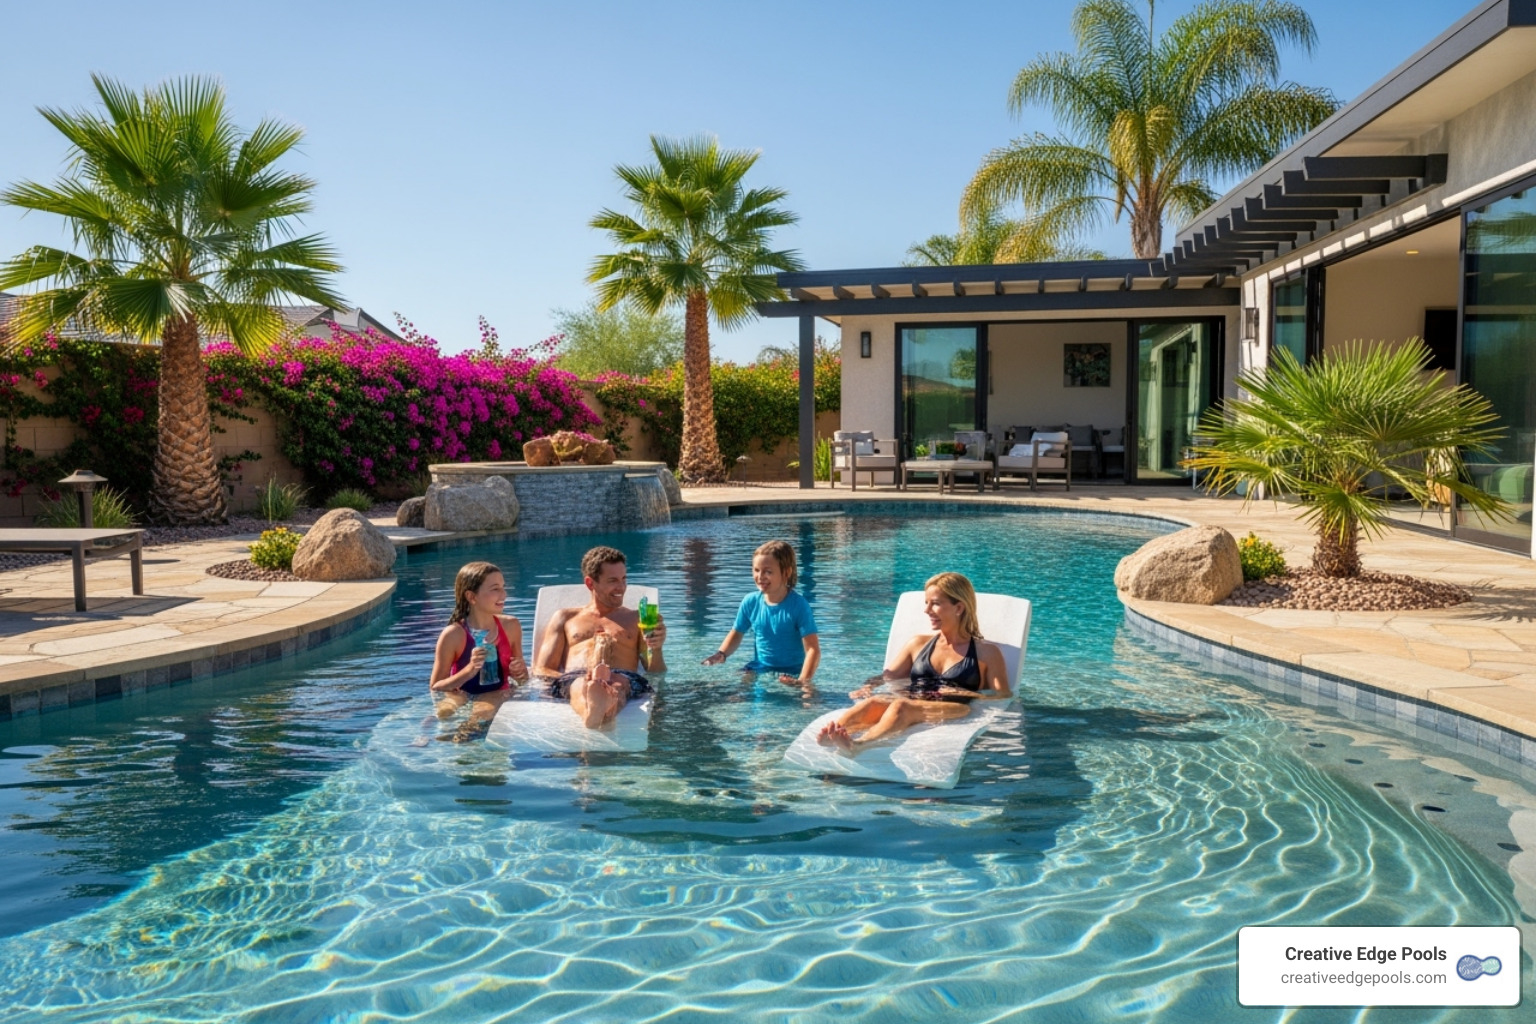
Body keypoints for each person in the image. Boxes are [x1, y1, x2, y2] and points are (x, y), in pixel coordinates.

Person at [817, 572, 1009, 754]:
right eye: (926, 603)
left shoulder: (986, 653)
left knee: (901, 707)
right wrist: (868, 686)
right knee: (875, 701)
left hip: (956, 707)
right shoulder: (918, 643)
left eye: (935, 604)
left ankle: (859, 745)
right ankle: (833, 733)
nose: (926, 611)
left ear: (959, 608)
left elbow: (1003, 696)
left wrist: (964, 693)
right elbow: (888, 676)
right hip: (915, 699)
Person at [534, 545, 666, 728]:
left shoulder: (637, 619)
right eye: (613, 581)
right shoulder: (566, 617)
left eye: (624, 579)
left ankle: (597, 707)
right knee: (580, 684)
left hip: (621, 675)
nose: (621, 587)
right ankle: (595, 707)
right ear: (590, 583)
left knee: (618, 684)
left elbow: (655, 672)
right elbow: (542, 669)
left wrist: (656, 648)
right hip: (576, 676)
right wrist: (588, 677)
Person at [428, 561, 529, 739]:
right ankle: (429, 734)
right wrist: (469, 670)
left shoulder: (511, 626)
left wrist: (520, 672)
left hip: (497, 692)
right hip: (461, 692)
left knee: (483, 713)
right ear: (472, 597)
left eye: (503, 587)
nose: (504, 594)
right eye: (495, 589)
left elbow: (523, 680)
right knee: (444, 713)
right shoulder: (454, 635)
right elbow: (436, 687)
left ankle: (464, 740)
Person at [703, 539, 820, 686]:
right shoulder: (750, 602)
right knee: (733, 693)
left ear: (786, 572)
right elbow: (737, 633)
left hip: (792, 670)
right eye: (756, 570)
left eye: (768, 571)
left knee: (807, 699)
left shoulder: (799, 606)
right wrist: (721, 654)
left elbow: (812, 650)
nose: (760, 576)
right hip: (760, 666)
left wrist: (803, 681)